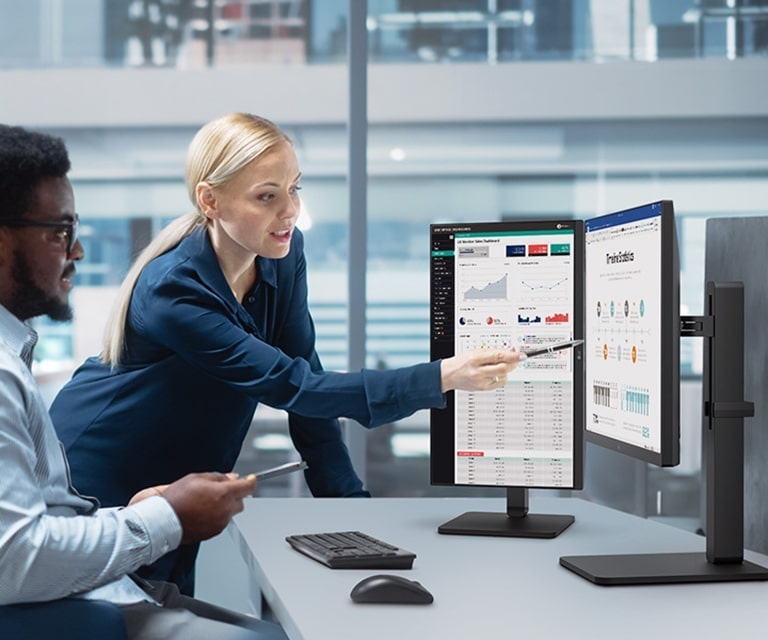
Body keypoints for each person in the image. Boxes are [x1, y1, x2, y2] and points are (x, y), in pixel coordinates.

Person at [49, 112, 521, 594]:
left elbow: (307, 396)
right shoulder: (174, 290)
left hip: (175, 488)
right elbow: (293, 386)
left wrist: (354, 517)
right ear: (210, 200)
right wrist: (440, 376)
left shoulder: (282, 258)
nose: (289, 211)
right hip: (98, 477)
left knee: (166, 614)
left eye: (294, 189)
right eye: (267, 196)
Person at [0, 123, 287, 639]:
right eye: (60, 231)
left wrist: (138, 513)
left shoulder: (13, 353)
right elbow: (14, 560)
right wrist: (166, 519)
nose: (78, 251)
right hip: (69, 611)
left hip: (96, 590)